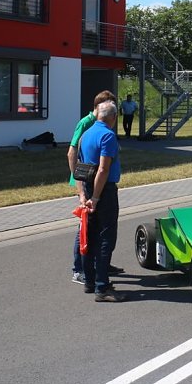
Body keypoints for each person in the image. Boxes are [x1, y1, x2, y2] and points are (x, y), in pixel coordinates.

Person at [67, 90, 123, 284]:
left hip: (88, 183)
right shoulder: (89, 126)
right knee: (95, 233)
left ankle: (95, 275)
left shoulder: (92, 131)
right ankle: (85, 273)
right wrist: (83, 191)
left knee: (91, 233)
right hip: (96, 187)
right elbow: (76, 156)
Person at [80, 100, 126, 302]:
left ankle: (89, 281)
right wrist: (96, 198)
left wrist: (83, 196)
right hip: (103, 191)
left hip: (88, 188)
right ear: (113, 118)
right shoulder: (108, 135)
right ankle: (102, 287)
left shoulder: (86, 134)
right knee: (106, 237)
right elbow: (103, 169)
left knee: (89, 236)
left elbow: (79, 169)